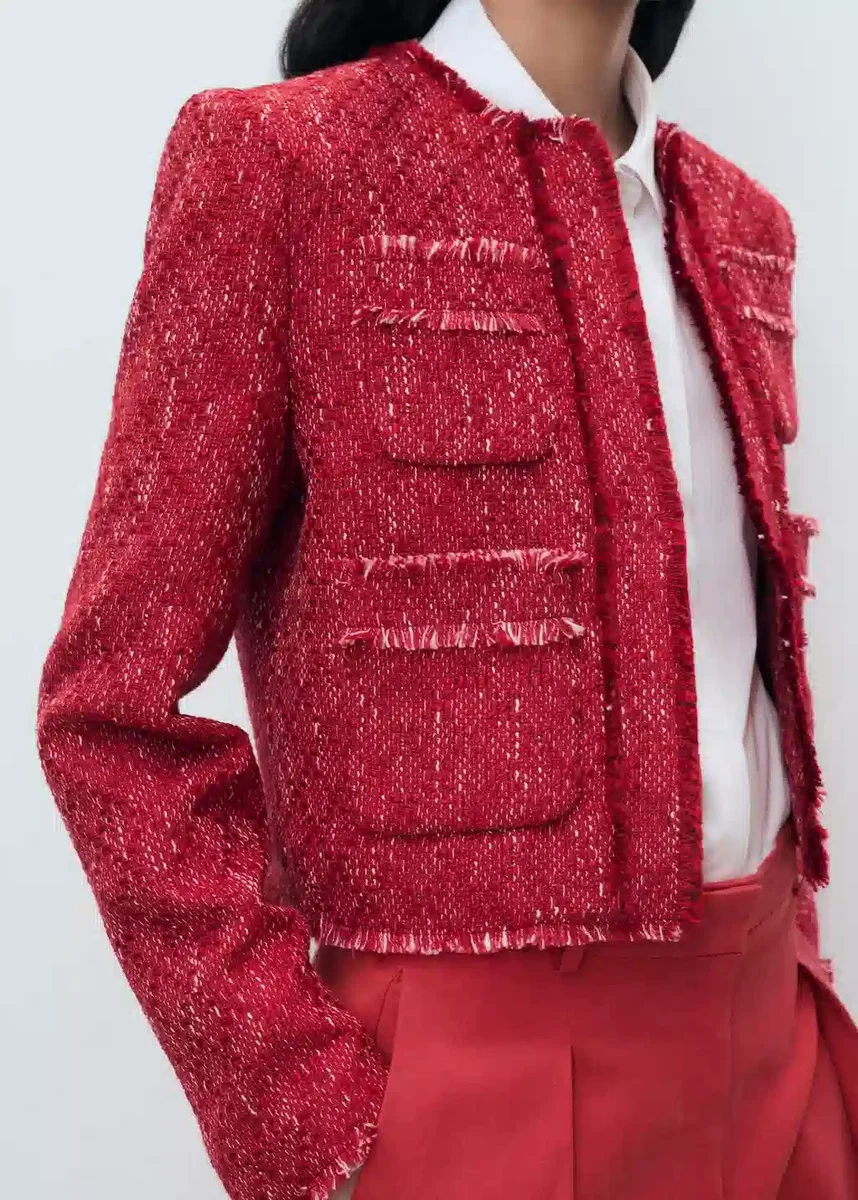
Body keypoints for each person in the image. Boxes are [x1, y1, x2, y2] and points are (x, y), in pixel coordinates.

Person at [36, 1, 858, 1197]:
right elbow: (106, 710)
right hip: (472, 1097)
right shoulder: (290, 168)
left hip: (777, 1062)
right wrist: (302, 1116)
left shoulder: (740, 223)